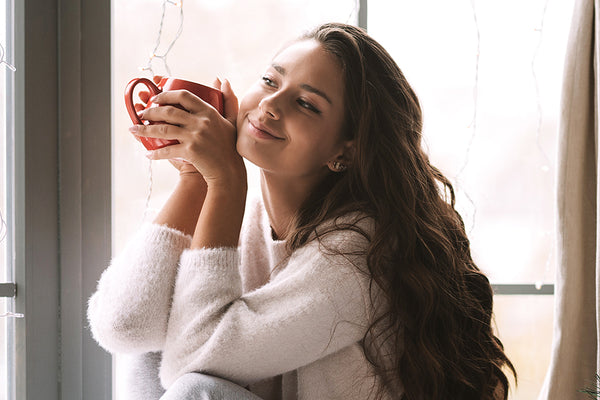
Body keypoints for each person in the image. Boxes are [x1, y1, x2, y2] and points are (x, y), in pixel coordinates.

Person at [88, 22, 516, 400]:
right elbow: (124, 328)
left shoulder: (357, 253)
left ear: (345, 151)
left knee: (197, 390)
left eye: (307, 104)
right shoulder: (250, 216)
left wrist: (225, 181)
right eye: (270, 81)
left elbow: (193, 364)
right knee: (152, 349)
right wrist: (195, 180)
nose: (271, 105)